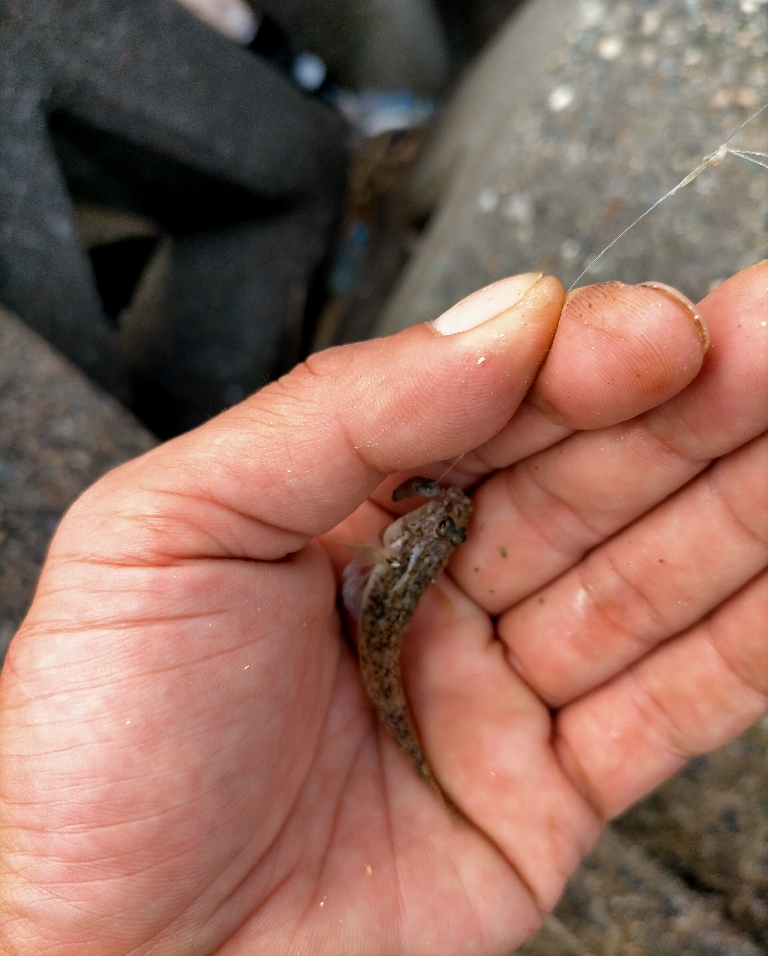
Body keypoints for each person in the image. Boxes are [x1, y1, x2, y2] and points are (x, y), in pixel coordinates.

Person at [1, 264, 767, 956]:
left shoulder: (407, 552)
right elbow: (406, 539)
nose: (442, 520)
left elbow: (409, 532)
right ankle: (421, 766)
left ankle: (422, 762)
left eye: (445, 530)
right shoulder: (407, 555)